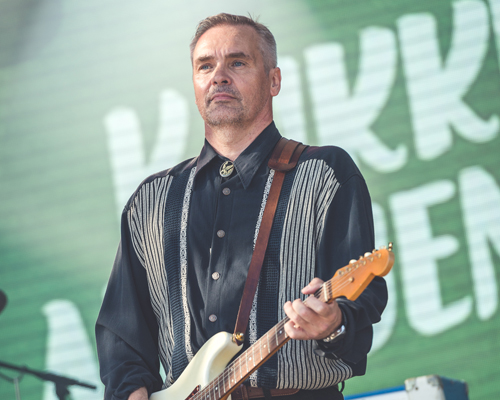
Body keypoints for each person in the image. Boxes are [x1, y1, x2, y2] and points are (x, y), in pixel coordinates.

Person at [96, 13, 387, 400]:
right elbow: (122, 338)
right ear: (195, 84)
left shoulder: (325, 173)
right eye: (205, 66)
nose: (218, 76)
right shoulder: (150, 200)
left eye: (237, 62)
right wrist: (131, 391)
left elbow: (362, 302)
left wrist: (333, 322)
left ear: (274, 81)